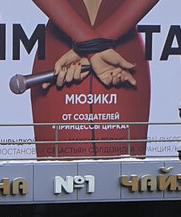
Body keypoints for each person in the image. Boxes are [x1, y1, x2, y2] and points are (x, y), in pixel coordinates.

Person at [29, 0, 159, 158]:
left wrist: (90, 45)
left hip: (119, 52)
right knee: (55, 172)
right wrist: (94, 44)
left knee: (127, 173)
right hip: (65, 49)